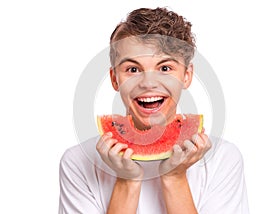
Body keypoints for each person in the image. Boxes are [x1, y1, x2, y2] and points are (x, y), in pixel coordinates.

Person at [59, 7, 249, 214]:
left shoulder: (223, 158)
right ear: (115, 79)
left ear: (186, 75)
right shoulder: (78, 162)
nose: (148, 83)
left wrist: (175, 178)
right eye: (133, 69)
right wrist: (127, 180)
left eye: (165, 68)